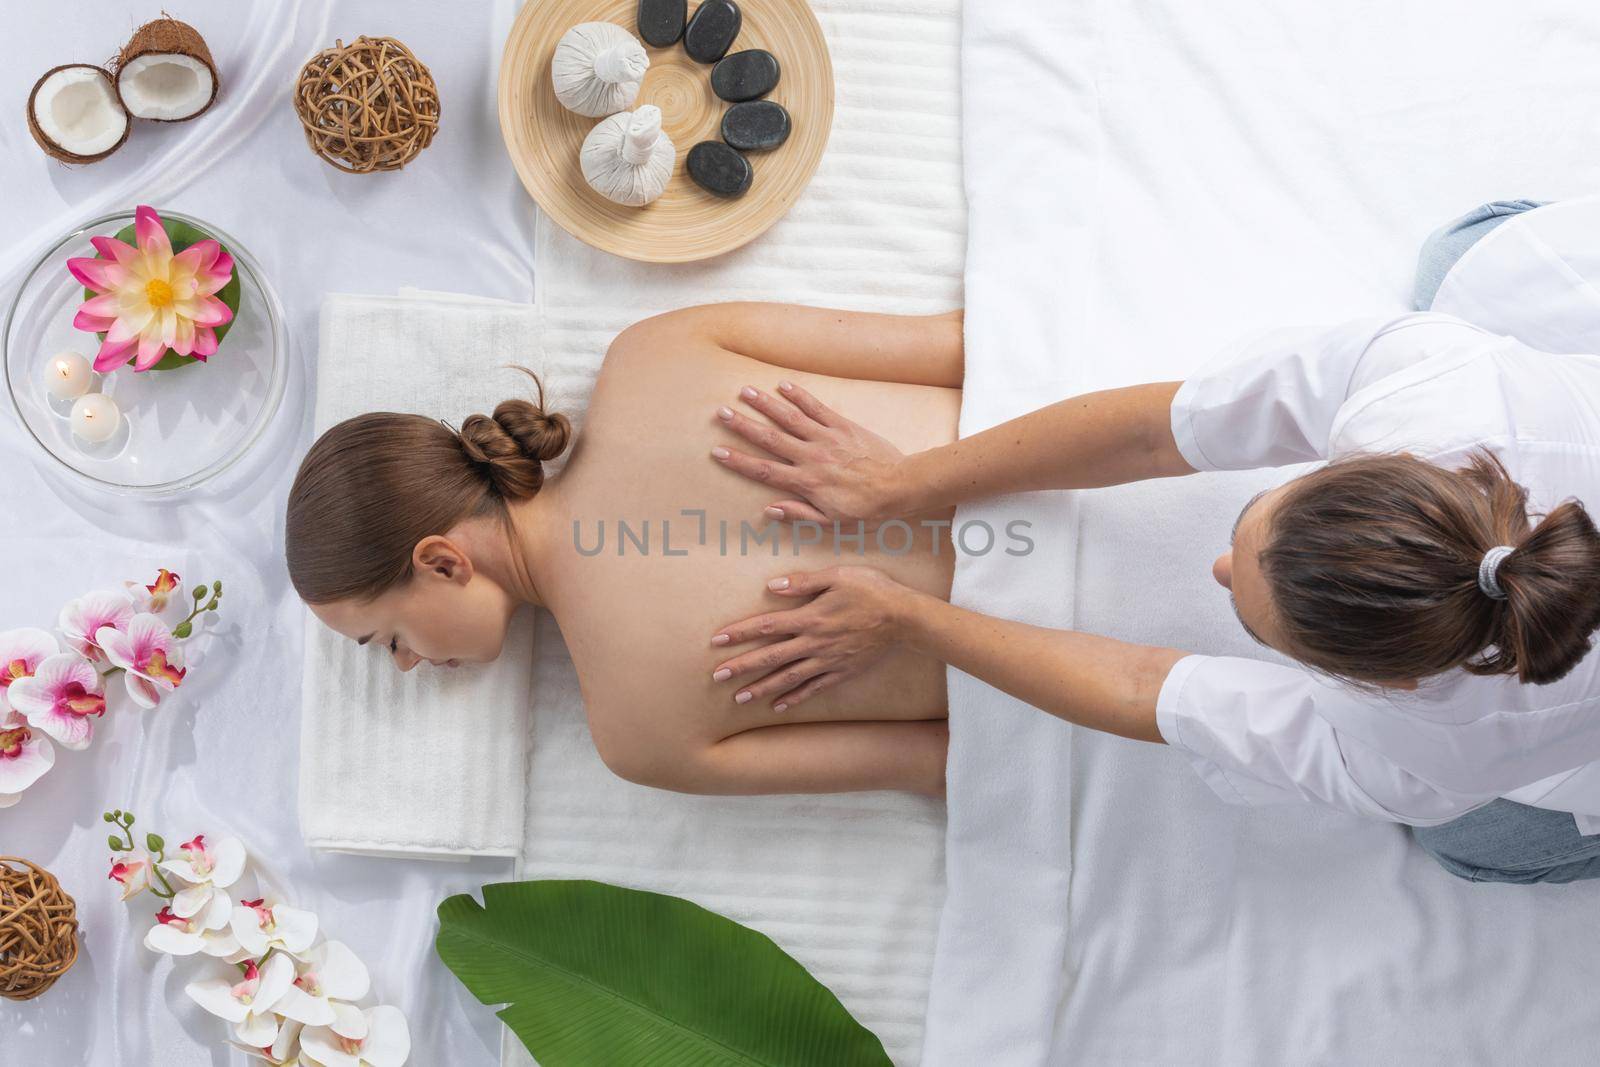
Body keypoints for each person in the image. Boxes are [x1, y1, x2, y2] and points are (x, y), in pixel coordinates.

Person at [708, 200, 1600, 884]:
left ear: (1397, 683)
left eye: (1261, 628)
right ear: (1390, 459)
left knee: (1468, 841)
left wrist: (916, 619)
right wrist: (909, 482)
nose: (1217, 566)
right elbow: (1150, 432)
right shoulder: (1430, 383)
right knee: (1459, 260)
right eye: (1257, 524)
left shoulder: (1418, 758)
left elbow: (1146, 688)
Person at [286, 304, 964, 797]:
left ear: (441, 561)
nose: (406, 665)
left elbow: (954, 762)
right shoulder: (651, 351)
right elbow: (965, 347)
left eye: (388, 638)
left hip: (1040, 653)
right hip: (1045, 438)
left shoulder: (635, 738)